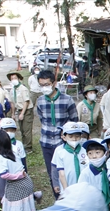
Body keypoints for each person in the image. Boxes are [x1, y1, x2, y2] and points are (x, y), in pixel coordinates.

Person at [37, 69, 78, 199]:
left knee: (67, 171)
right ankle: (59, 198)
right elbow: (41, 119)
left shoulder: (67, 100)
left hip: (63, 142)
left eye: (47, 84)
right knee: (52, 173)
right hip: (47, 142)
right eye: (41, 85)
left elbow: (74, 120)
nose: (45, 88)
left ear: (54, 83)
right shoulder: (40, 101)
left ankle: (72, 195)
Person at [0, 130, 39, 211]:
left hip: (16, 184)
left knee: (16, 209)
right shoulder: (13, 151)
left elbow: (4, 175)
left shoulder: (0, 158)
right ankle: (34, 196)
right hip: (26, 181)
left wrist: (17, 176)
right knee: (23, 203)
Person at [51, 121, 89, 194]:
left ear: (81, 137)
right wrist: (66, 190)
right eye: (70, 136)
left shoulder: (84, 151)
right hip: (68, 188)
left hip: (83, 189)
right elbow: (61, 173)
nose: (74, 139)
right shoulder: (60, 152)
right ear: (64, 138)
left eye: (77, 136)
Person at [77, 138, 110, 208]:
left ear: (106, 153)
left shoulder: (109, 169)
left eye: (97, 152)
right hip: (93, 207)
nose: (94, 156)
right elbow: (81, 191)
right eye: (90, 153)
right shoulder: (86, 173)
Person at [7, 70, 34, 153]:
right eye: (12, 78)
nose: (13, 80)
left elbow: (26, 101)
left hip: (26, 110)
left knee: (27, 130)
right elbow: (12, 103)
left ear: (19, 79)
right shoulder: (12, 90)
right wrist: (13, 114)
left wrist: (22, 113)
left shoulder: (23, 89)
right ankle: (24, 144)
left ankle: (28, 148)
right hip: (19, 110)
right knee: (22, 129)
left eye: (15, 78)